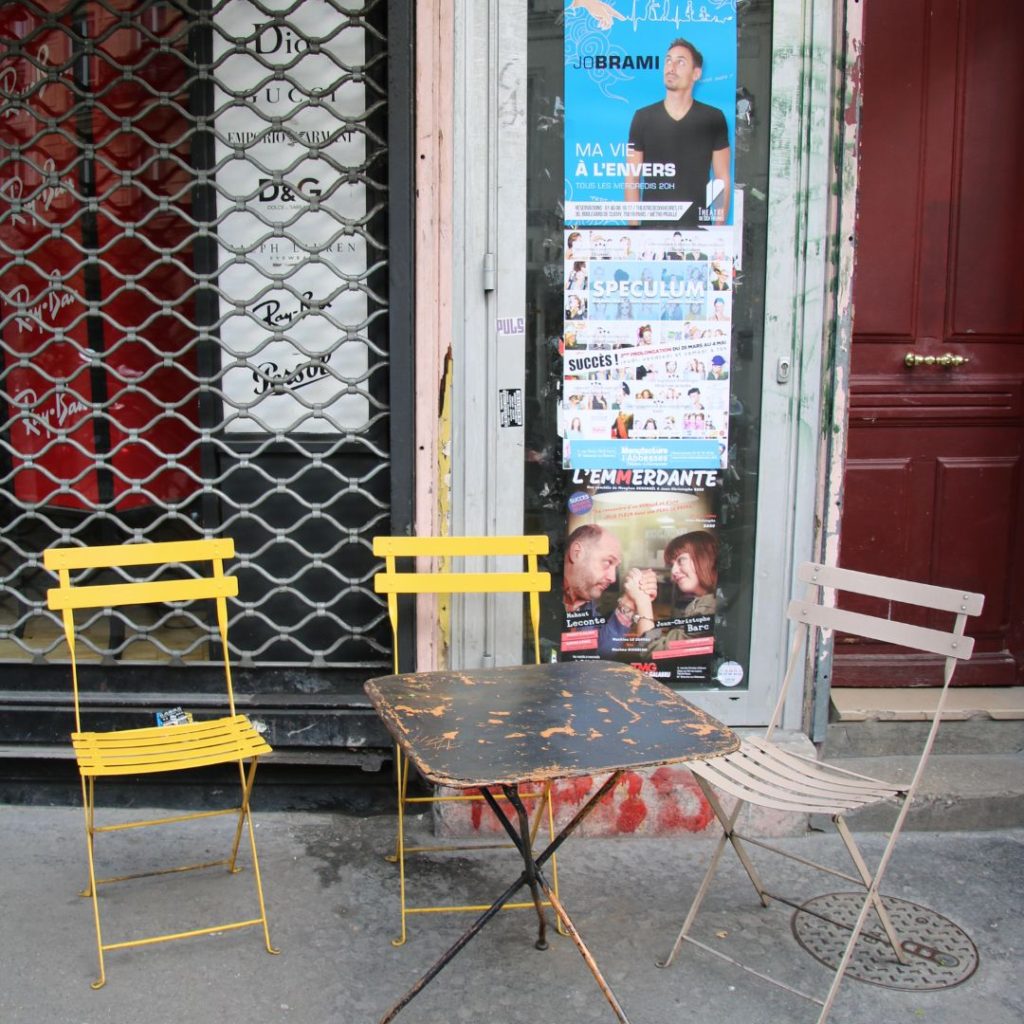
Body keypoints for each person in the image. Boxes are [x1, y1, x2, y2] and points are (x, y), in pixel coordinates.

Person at [625, 39, 731, 227]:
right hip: (653, 233)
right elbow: (632, 177)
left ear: (696, 74)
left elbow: (721, 177)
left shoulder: (713, 118)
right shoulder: (643, 118)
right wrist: (634, 230)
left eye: (680, 62)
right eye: (668, 61)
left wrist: (718, 229)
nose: (671, 67)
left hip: (698, 230)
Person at [562, 524, 657, 654]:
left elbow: (599, 653)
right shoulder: (541, 599)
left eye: (615, 567)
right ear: (577, 553)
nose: (612, 578)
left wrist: (628, 602)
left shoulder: (585, 601)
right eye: (607, 562)